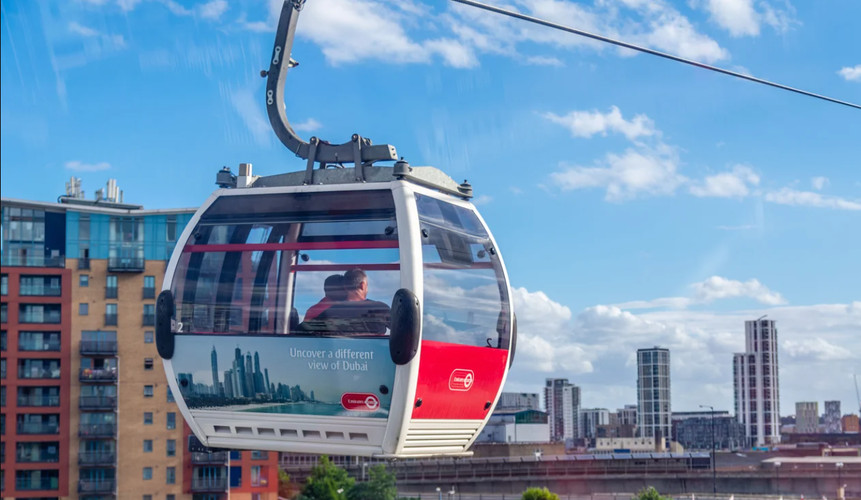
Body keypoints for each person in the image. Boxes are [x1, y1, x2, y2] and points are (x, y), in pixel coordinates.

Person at [314, 268, 391, 335]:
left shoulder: (329, 312)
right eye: (367, 285)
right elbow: (398, 329)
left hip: (341, 348)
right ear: (362, 285)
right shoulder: (380, 308)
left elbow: (308, 334)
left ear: (345, 287)